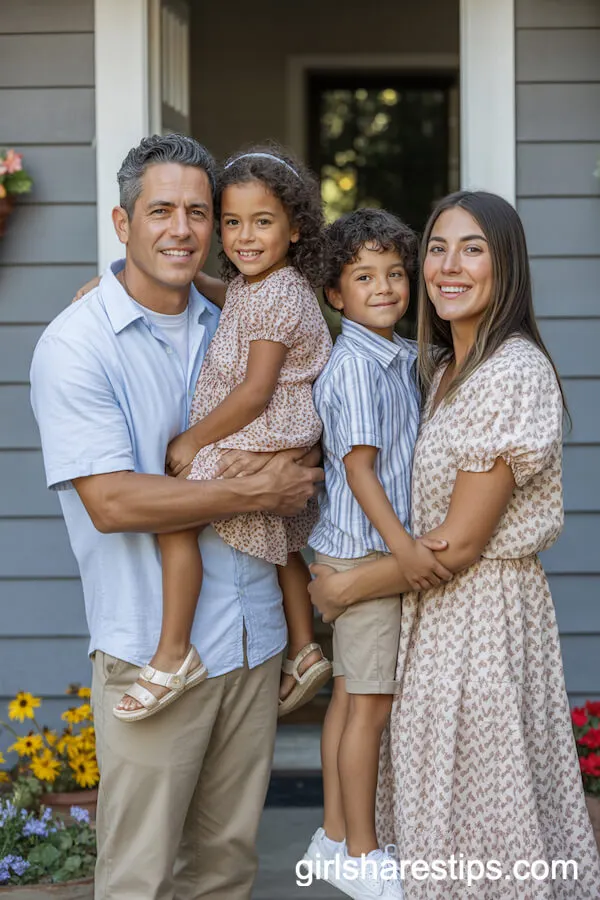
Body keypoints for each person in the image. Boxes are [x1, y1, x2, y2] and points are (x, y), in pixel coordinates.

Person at [30, 133, 322, 900]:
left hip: (251, 644)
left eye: (199, 212)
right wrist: (257, 493)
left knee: (224, 871)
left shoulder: (234, 313)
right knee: (140, 878)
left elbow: (297, 355)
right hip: (150, 656)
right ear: (122, 223)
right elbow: (115, 501)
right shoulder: (78, 346)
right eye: (161, 211)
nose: (183, 230)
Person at [309, 191, 600, 898]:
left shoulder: (510, 371)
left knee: (483, 825)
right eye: (437, 248)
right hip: (428, 620)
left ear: (507, 265)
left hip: (481, 624)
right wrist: (160, 284)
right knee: (431, 819)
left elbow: (463, 543)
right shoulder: (439, 369)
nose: (448, 265)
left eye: (472, 249)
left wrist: (346, 587)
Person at [113, 145, 333, 722]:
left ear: (295, 228)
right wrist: (115, 282)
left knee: (176, 515)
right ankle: (305, 647)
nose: (244, 237)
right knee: (280, 537)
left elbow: (255, 391)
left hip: (263, 423)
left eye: (262, 222)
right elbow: (219, 291)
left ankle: (173, 654)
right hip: (277, 425)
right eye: (232, 222)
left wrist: (191, 442)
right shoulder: (263, 285)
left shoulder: (277, 294)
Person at [303, 209, 452, 900]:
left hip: (358, 552)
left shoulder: (395, 356)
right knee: (368, 708)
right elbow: (359, 471)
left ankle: (334, 836)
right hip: (366, 556)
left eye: (395, 273)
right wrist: (405, 550)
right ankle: (362, 853)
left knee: (348, 701)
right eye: (363, 277)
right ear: (336, 294)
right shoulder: (358, 367)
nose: (384, 287)